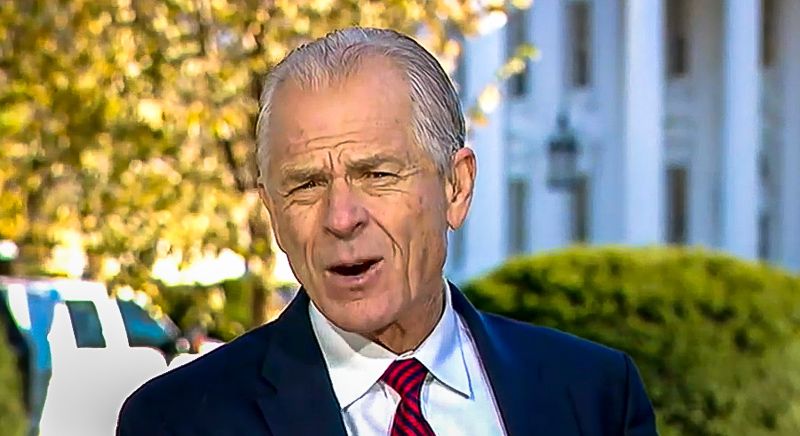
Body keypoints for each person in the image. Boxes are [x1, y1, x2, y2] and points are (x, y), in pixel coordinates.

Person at [117, 27, 657, 436]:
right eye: (306, 184)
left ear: (456, 187)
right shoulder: (177, 421)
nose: (341, 217)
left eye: (376, 175)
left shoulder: (594, 396)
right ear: (273, 212)